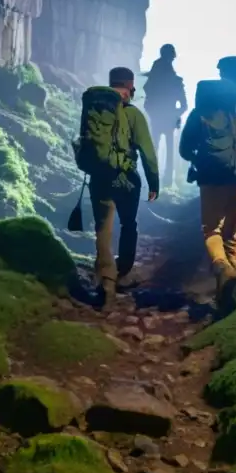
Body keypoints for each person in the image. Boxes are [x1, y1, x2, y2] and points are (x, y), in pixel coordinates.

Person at [179, 56, 236, 314]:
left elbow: (185, 148)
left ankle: (221, 268)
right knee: (233, 237)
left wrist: (199, 158)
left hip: (209, 179)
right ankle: (226, 296)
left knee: (211, 231)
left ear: (220, 75)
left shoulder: (201, 111)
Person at [73, 67, 160, 308]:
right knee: (128, 224)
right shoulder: (134, 114)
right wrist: (154, 182)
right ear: (130, 87)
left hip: (99, 177)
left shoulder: (95, 107)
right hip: (127, 179)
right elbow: (148, 153)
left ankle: (106, 283)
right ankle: (122, 271)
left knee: (103, 230)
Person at [142, 44, 188, 190]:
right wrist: (175, 115)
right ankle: (165, 181)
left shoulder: (156, 76)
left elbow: (147, 96)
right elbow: (184, 105)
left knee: (155, 147)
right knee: (166, 149)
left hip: (159, 117)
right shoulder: (173, 80)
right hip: (166, 118)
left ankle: (154, 179)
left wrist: (154, 112)